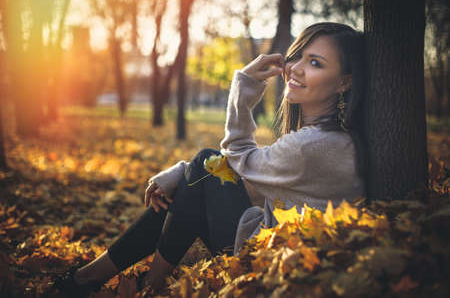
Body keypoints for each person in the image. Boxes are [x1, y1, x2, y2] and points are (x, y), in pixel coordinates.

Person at [52, 22, 367, 297]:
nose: (296, 68)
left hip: (275, 265)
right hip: (281, 252)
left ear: (344, 82)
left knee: (204, 164)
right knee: (199, 177)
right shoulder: (328, 139)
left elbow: (238, 156)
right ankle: (103, 278)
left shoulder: (313, 145)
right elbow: (250, 179)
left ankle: (132, 284)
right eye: (297, 55)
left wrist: (243, 85)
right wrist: (184, 172)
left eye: (315, 63)